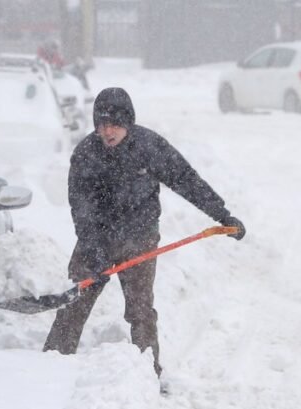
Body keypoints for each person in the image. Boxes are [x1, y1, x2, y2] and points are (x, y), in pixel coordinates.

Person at [43, 87, 245, 382]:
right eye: (101, 124)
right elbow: (81, 208)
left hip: (139, 238)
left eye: (114, 124)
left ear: (128, 122)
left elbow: (187, 181)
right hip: (95, 236)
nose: (107, 131)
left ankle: (148, 374)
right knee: (76, 300)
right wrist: (95, 252)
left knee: (140, 309)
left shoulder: (149, 147)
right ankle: (51, 366)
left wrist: (222, 215)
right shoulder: (86, 154)